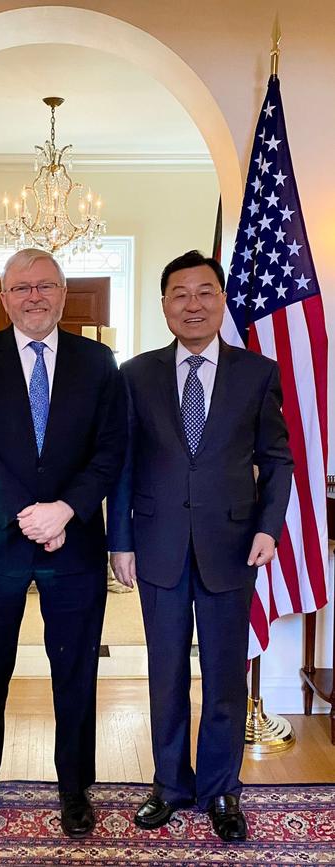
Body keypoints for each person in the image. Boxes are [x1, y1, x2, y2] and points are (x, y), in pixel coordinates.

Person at [107, 250, 293, 843]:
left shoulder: (257, 373)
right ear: (163, 304)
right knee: (165, 674)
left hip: (234, 546)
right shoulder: (134, 375)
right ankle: (169, 785)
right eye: (180, 294)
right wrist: (120, 541)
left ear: (220, 300)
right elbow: (123, 466)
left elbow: (277, 460)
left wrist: (268, 528)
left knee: (223, 676)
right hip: (156, 545)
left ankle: (221, 791)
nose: (193, 304)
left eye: (204, 292)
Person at [0, 247, 124, 838]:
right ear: (4, 297)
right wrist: (28, 515)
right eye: (21, 287)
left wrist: (65, 510)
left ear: (63, 292)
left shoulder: (99, 363)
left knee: (74, 669)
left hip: (72, 544)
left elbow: (109, 452)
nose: (34, 296)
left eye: (45, 285)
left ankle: (75, 789)